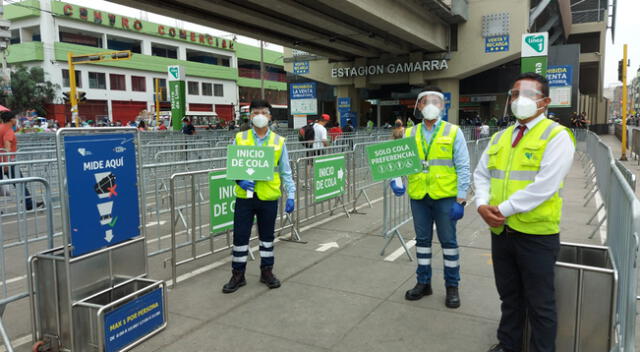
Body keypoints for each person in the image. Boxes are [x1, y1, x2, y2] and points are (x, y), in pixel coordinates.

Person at [474, 73, 575, 352]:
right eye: (516, 94)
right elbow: (482, 174)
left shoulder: (557, 136)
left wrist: (502, 209)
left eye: (529, 94)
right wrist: (481, 204)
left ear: (545, 102)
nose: (520, 100)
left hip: (536, 234)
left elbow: (545, 185)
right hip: (501, 232)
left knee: (541, 304)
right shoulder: (500, 137)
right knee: (509, 297)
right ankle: (509, 345)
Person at [390, 86, 470, 308]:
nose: (432, 105)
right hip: (419, 196)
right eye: (427, 101)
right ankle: (423, 282)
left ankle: (452, 286)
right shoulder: (409, 132)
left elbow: (464, 166)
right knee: (422, 242)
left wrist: (461, 200)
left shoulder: (454, 132)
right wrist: (395, 180)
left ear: (443, 106)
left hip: (445, 197)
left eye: (437, 101)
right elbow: (399, 162)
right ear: (419, 106)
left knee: (449, 243)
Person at [223, 99, 296, 293]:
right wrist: (239, 180)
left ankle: (267, 272)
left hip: (268, 197)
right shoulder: (240, 138)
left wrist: (291, 194)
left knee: (266, 238)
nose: (259, 116)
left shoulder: (278, 141)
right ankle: (237, 275)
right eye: (255, 112)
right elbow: (233, 166)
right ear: (250, 116)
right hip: (244, 197)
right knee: (240, 237)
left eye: (263, 112)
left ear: (270, 116)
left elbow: (285, 170)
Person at [0, 111, 43, 210]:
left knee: (19, 182)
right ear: (11, 120)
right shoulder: (8, 130)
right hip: (7, 162)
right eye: (15, 118)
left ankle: (28, 203)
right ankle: (28, 204)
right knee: (21, 182)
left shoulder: (1, 127)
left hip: (3, 161)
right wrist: (6, 164)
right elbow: (7, 146)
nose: (16, 120)